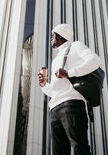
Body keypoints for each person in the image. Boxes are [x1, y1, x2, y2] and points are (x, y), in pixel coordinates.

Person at [38, 24, 102, 155]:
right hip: (54, 108)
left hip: (71, 104)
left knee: (80, 148)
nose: (51, 38)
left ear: (60, 35)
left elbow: (95, 60)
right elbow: (55, 91)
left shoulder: (76, 46)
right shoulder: (55, 59)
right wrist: (45, 85)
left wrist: (69, 72)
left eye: (52, 35)